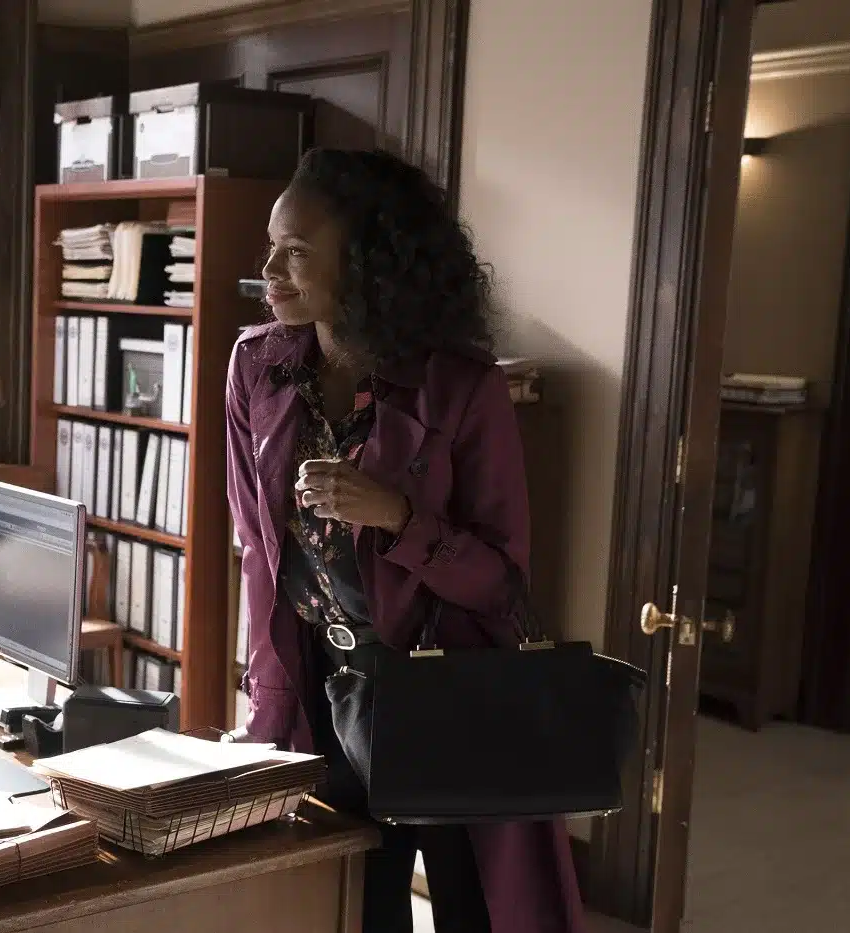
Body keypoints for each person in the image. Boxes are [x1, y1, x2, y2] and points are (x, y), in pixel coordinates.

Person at [224, 148, 585, 932]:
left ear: (368, 265)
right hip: (321, 689)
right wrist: (267, 703)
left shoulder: (462, 386)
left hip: (449, 697)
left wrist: (397, 517)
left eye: (297, 251)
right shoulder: (255, 365)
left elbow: (500, 582)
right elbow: (257, 549)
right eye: (271, 246)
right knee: (348, 909)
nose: (270, 270)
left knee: (473, 911)